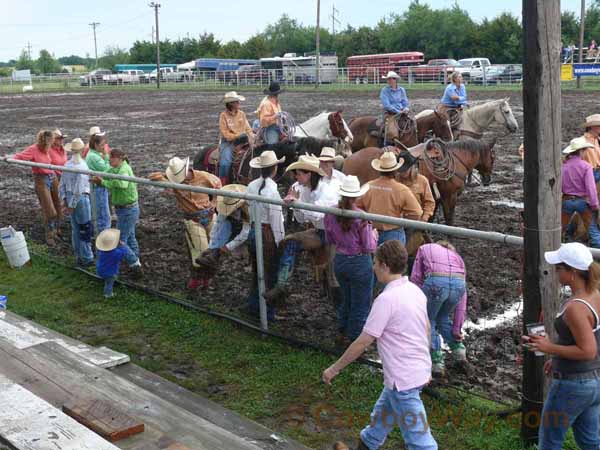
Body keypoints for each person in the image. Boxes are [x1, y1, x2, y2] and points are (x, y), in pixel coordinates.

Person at [323, 240, 438, 450]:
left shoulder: (386, 300)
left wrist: (334, 369)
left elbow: (363, 341)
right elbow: (427, 330)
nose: (373, 266)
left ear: (385, 265)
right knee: (381, 419)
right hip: (415, 373)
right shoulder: (415, 291)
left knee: (421, 442)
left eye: (375, 262)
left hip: (401, 380)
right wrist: (427, 365)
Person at [526, 243, 600, 450]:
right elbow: (588, 339)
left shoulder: (575, 308)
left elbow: (588, 350)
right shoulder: (595, 295)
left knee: (549, 442)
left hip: (571, 385)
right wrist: (557, 357)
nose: (556, 272)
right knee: (590, 441)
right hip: (593, 383)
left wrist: (549, 348)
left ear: (572, 272)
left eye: (559, 268)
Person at [263, 154, 340, 303]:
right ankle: (282, 285)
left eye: (298, 174)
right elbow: (301, 219)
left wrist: (298, 203)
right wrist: (294, 206)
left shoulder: (327, 190)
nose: (295, 177)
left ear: (309, 174)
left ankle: (340, 310)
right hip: (320, 231)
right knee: (291, 241)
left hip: (336, 234)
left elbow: (318, 213)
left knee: (333, 276)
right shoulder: (303, 190)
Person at [148, 157, 222, 291]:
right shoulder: (173, 181)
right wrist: (165, 175)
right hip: (192, 219)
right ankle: (196, 278)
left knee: (213, 249)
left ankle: (207, 278)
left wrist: (214, 202)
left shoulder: (204, 176)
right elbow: (153, 176)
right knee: (200, 250)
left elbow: (218, 185)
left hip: (209, 215)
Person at [324, 176, 377, 344]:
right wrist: (374, 235)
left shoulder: (330, 212)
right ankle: (354, 339)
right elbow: (369, 246)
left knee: (347, 298)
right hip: (360, 261)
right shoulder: (361, 216)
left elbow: (329, 238)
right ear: (356, 195)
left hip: (340, 260)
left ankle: (343, 329)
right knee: (361, 302)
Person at [410, 241, 468, 376]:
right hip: (458, 284)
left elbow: (416, 277)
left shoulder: (424, 248)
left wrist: (416, 299)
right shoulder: (457, 258)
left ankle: (436, 360)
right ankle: (459, 349)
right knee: (442, 317)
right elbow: (462, 300)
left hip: (436, 283)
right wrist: (457, 328)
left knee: (428, 319)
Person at [245, 151, 286, 318]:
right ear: (274, 168)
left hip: (254, 230)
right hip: (267, 234)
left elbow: (248, 207)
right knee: (270, 273)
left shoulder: (252, 185)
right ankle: (267, 313)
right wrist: (280, 241)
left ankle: (254, 305)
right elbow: (276, 219)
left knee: (257, 271)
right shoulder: (272, 190)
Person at [356, 152, 423, 246]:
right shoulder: (401, 189)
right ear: (395, 171)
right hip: (393, 232)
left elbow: (356, 207)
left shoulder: (368, 186)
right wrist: (403, 220)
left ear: (379, 170)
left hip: (370, 232)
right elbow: (417, 213)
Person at [12, 130, 62, 246]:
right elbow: (20, 156)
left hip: (52, 176)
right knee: (49, 209)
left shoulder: (50, 148)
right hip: (41, 179)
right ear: (45, 141)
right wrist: (9, 158)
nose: (52, 144)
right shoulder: (33, 149)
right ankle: (49, 234)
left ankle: (55, 230)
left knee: (58, 204)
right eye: (50, 142)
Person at [92, 149, 141, 259]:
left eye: (111, 158)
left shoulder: (124, 169)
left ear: (119, 159)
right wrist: (99, 177)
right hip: (126, 209)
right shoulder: (116, 168)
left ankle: (134, 262)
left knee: (120, 240)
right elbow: (106, 173)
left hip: (128, 209)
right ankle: (136, 257)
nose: (109, 160)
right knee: (130, 236)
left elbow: (122, 183)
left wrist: (103, 182)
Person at [195, 184, 251, 276]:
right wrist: (211, 243)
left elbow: (245, 233)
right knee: (224, 226)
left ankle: (214, 255)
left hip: (251, 227)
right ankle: (213, 253)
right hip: (233, 224)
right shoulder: (226, 204)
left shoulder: (248, 209)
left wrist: (228, 247)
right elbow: (218, 222)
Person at [58, 138, 94, 267]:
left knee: (75, 228)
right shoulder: (83, 166)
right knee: (85, 227)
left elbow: (61, 184)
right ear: (82, 149)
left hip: (69, 196)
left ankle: (78, 256)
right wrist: (72, 205)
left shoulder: (67, 164)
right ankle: (87, 257)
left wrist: (64, 200)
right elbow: (79, 189)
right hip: (80, 199)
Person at [396, 153, 436, 269]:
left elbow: (429, 202)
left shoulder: (422, 181)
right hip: (397, 223)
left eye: (404, 170)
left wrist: (424, 219)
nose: (401, 173)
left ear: (413, 167)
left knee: (412, 252)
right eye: (400, 170)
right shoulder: (395, 180)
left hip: (415, 224)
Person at [560, 137, 600, 248]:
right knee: (593, 231)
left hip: (566, 201)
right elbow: (591, 188)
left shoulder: (563, 166)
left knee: (559, 229)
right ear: (581, 151)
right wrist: (595, 205)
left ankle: (560, 249)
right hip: (582, 202)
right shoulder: (586, 166)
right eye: (585, 150)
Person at [218, 91, 254, 185]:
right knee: (225, 163)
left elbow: (248, 128)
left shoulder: (242, 114)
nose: (239, 103)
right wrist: (238, 135)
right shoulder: (223, 116)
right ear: (230, 104)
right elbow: (225, 133)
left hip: (244, 140)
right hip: (229, 143)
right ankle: (222, 182)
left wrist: (252, 137)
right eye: (236, 101)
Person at [95, 228, 142, 298]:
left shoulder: (102, 251)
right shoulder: (115, 253)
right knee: (109, 283)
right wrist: (123, 246)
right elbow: (123, 253)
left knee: (106, 279)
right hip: (110, 273)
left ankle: (105, 283)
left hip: (100, 269)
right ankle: (108, 294)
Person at [85, 131, 111, 234]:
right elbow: (107, 170)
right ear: (95, 145)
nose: (104, 147)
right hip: (98, 188)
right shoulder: (94, 157)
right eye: (102, 145)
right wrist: (106, 156)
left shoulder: (93, 154)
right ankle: (104, 238)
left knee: (101, 214)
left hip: (97, 187)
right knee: (103, 215)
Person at [580, 114, 600, 184]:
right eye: (599, 125)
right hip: (589, 173)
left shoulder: (597, 139)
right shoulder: (582, 141)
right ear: (592, 127)